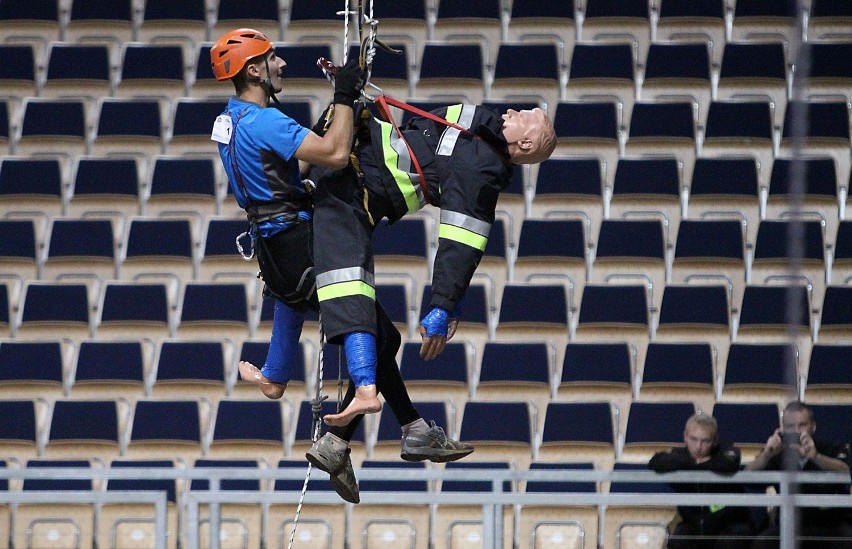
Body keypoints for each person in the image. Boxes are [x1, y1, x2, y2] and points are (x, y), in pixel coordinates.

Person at [210, 28, 473, 504]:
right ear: (253, 70)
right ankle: (397, 428)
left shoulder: (230, 120)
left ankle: (294, 391)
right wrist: (346, 96)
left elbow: (289, 170)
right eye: (272, 59)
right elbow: (331, 152)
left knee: (364, 328)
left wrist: (342, 105)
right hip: (300, 242)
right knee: (382, 335)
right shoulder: (264, 121)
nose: (282, 65)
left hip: (273, 249)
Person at [308, 84, 557, 427]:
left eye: (523, 117)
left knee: (354, 293)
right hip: (369, 154)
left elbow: (461, 245)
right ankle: (395, 427)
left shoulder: (480, 173)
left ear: (526, 144)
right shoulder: (479, 125)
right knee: (384, 334)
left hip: (364, 180)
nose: (512, 111)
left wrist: (443, 305)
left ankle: (376, 421)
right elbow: (423, 131)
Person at [745, 401, 851, 548]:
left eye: (802, 425)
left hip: (829, 525)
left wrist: (815, 457)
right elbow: (747, 475)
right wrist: (766, 455)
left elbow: (845, 469)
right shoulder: (776, 453)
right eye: (789, 426)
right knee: (762, 544)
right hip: (788, 525)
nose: (796, 431)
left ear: (813, 426)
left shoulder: (830, 447)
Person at [648, 413, 754, 548]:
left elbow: (728, 464)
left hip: (731, 523)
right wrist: (696, 463)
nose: (698, 447)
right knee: (679, 541)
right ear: (685, 437)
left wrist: (695, 465)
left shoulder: (725, 450)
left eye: (705, 441)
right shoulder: (678, 455)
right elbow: (656, 462)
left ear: (715, 440)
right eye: (693, 439)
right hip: (693, 524)